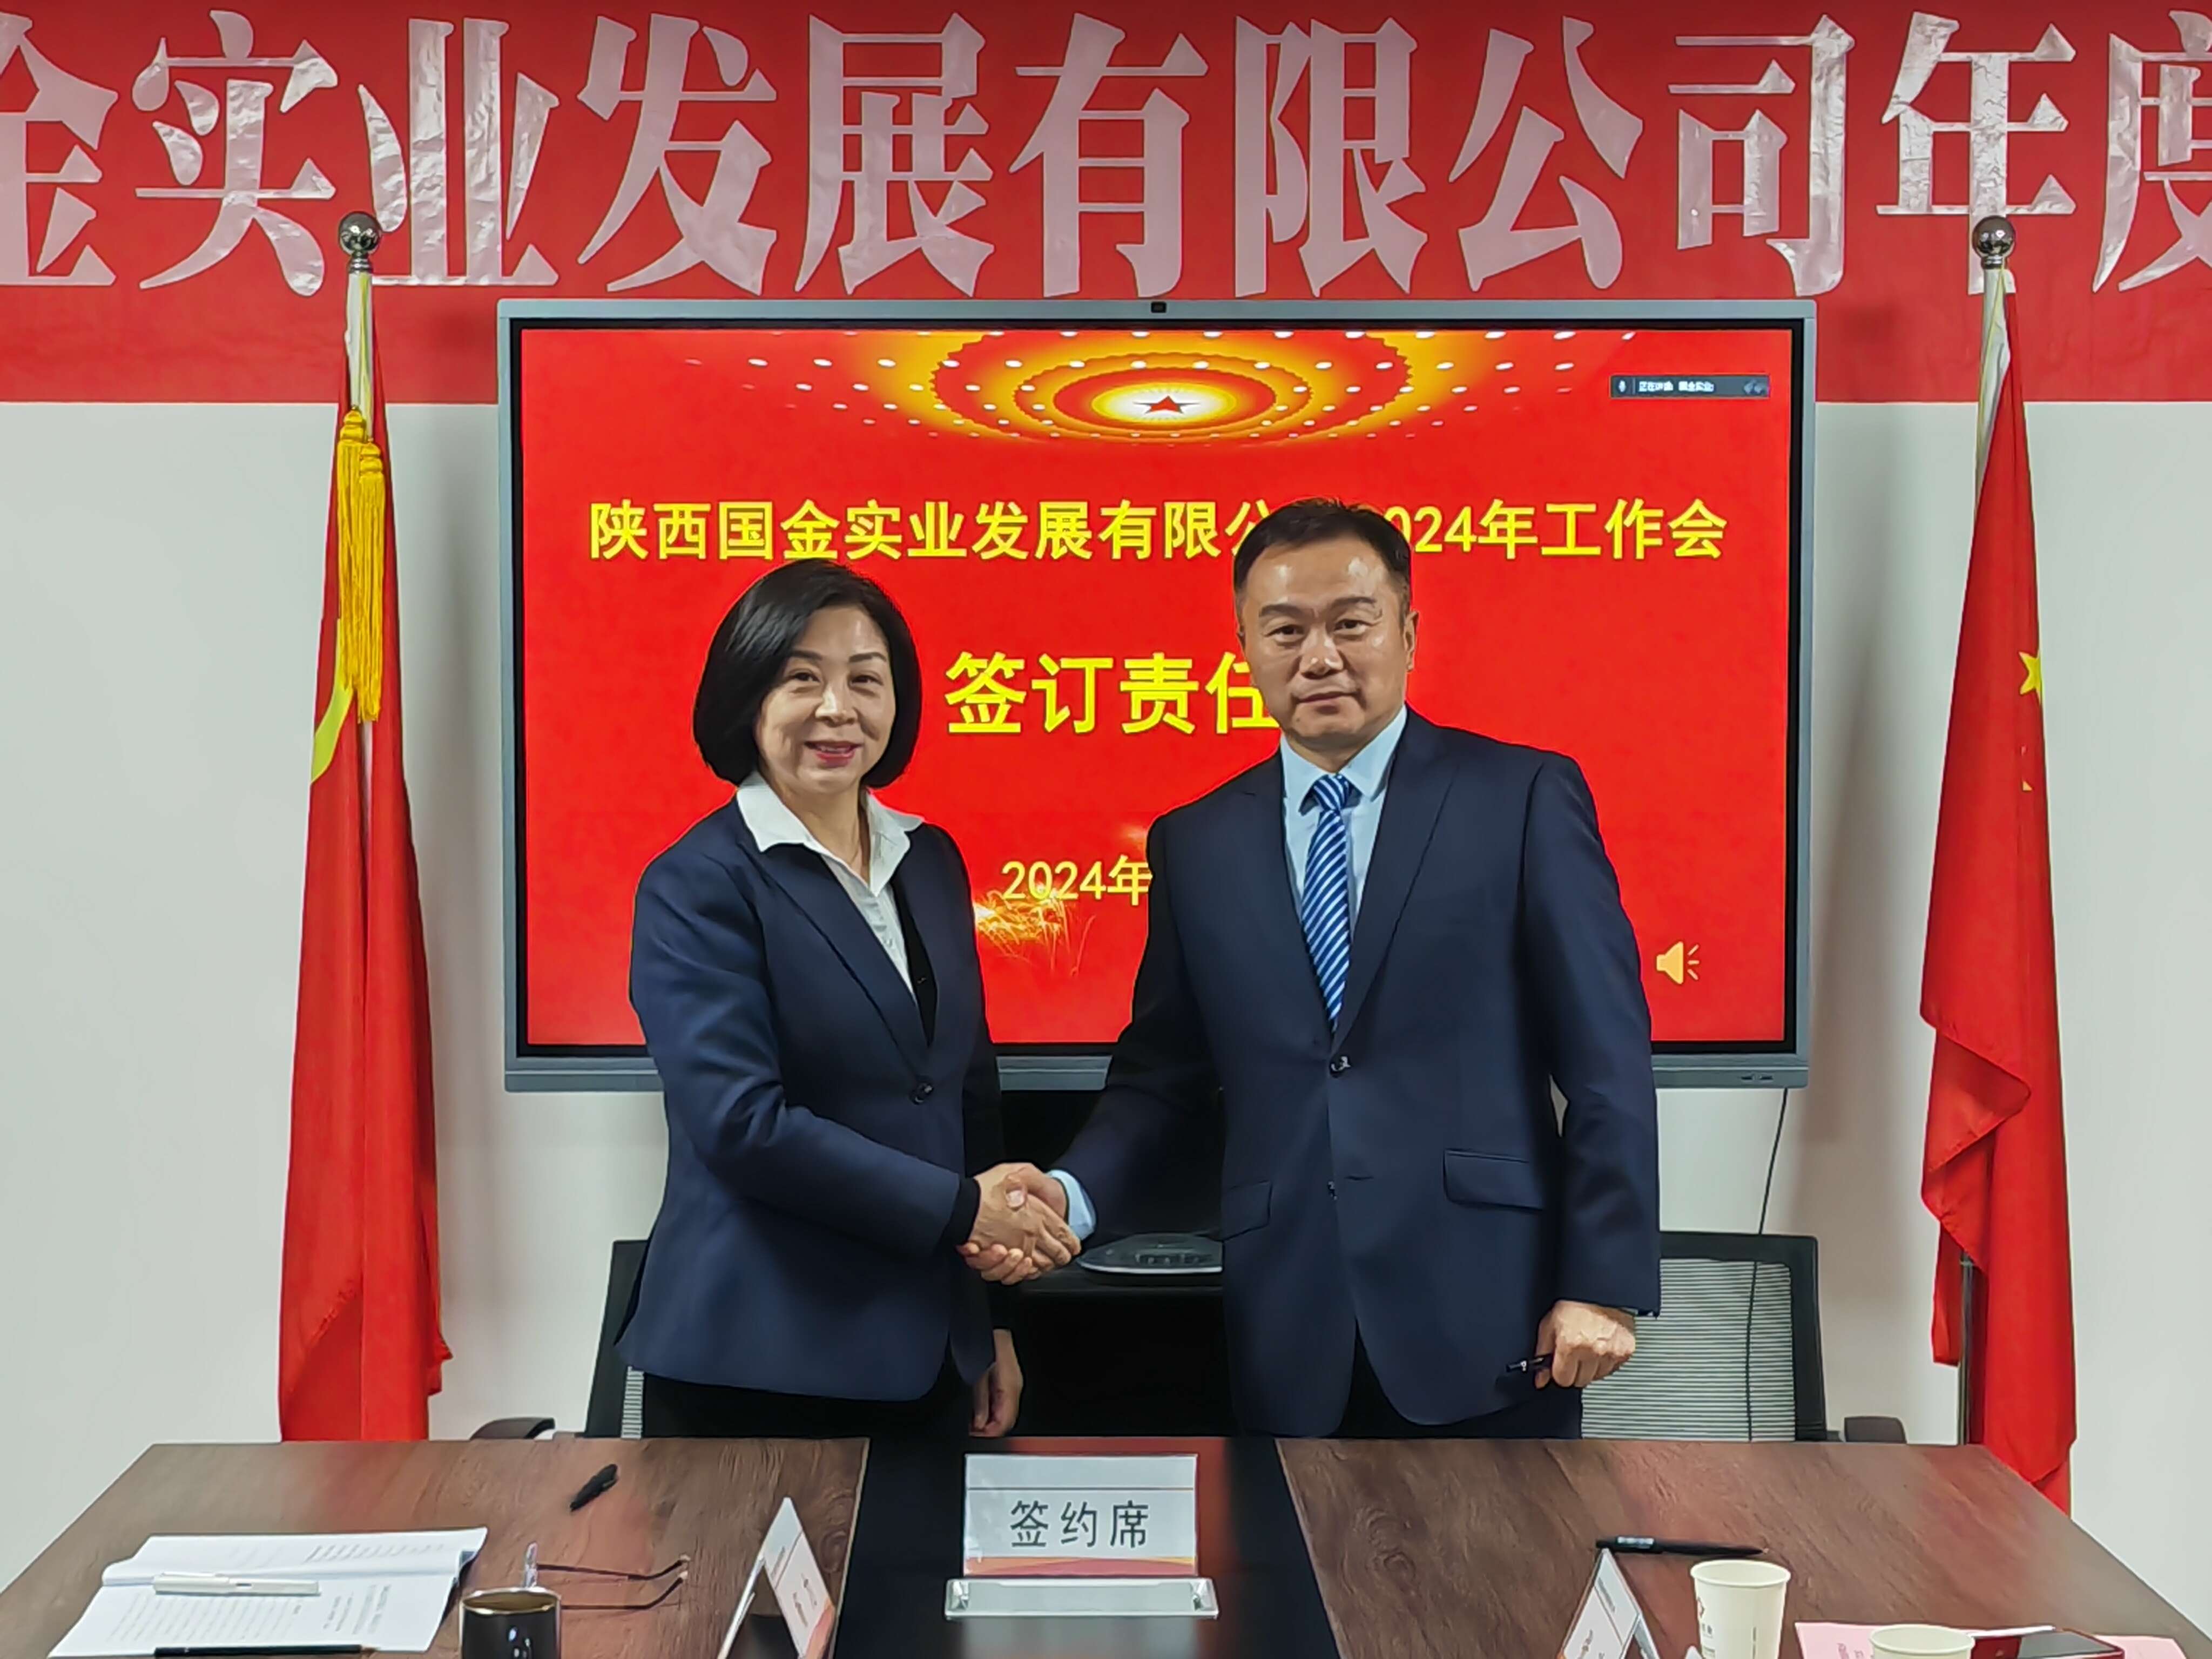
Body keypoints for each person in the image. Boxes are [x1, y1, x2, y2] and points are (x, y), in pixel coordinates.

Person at [973, 498, 1660, 1438]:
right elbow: (1163, 1081)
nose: (1320, 656)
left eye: (1351, 623)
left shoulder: (1521, 797)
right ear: (1246, 647)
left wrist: (1603, 1282)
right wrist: (1070, 1196)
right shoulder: (1197, 842)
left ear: (1408, 633)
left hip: (1495, 1318)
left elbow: (1606, 1060)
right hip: (1289, 1326)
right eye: (1286, 630)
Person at [624, 562, 1079, 1439]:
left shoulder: (930, 860)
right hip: (761, 1362)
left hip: (930, 1353)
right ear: (747, 697)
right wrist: (964, 1208)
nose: (838, 710)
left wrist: (990, 1320)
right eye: (802, 679)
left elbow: (964, 1093)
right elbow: (742, 1126)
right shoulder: (696, 883)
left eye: (866, 681)